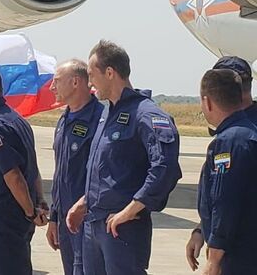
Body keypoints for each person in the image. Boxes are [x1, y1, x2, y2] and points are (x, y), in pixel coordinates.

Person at [66, 40, 182, 275]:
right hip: (95, 224)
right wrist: (85, 201)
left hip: (123, 229)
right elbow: (109, 168)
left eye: (91, 75)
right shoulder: (107, 113)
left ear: (110, 72)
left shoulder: (146, 115)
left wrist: (131, 210)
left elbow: (165, 167)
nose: (89, 83)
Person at [0, 67, 47, 275]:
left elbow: (13, 176)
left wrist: (30, 211)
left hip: (5, 215)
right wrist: (38, 202)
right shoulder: (17, 119)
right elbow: (33, 167)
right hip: (19, 210)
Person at [186, 56, 257, 270]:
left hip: (240, 252)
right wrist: (202, 230)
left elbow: (226, 199)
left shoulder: (231, 140)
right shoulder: (240, 132)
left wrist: (214, 258)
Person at [46, 60, 103, 275]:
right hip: (64, 219)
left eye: (57, 81)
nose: (52, 87)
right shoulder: (64, 119)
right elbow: (60, 172)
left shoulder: (99, 119)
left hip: (86, 218)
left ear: (76, 82)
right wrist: (54, 217)